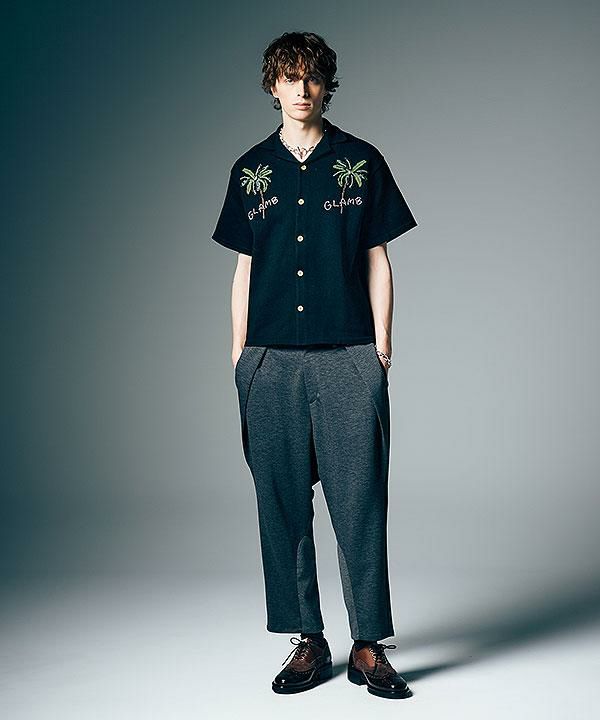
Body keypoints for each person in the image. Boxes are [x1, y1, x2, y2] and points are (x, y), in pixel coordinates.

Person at [211, 31, 417, 699]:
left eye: (312, 78)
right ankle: (308, 638)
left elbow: (378, 258)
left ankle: (368, 644)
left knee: (360, 503)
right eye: (289, 77)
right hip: (269, 361)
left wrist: (381, 345)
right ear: (272, 86)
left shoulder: (361, 161)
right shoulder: (251, 170)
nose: (301, 89)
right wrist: (240, 354)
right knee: (281, 505)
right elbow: (244, 268)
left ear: (327, 86)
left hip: (348, 355)